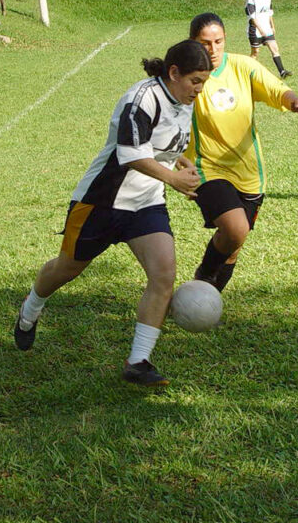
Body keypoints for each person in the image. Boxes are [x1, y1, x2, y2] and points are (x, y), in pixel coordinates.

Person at [14, 40, 213, 387]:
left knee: (163, 275)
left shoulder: (184, 100)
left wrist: (179, 162)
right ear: (173, 73)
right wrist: (174, 180)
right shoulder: (142, 99)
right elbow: (131, 154)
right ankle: (29, 310)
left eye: (204, 82)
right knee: (67, 268)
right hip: (102, 201)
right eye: (195, 80)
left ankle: (138, 361)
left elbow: (162, 144)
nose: (200, 89)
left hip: (146, 202)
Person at [187, 13, 298, 293]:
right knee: (235, 229)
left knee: (233, 245)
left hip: (249, 172)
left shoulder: (243, 66)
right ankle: (204, 276)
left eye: (218, 41)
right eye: (205, 43)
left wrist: (293, 101)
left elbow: (276, 89)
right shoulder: (186, 76)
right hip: (207, 168)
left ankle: (206, 299)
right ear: (193, 42)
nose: (213, 49)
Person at [245, 0, 292, 78]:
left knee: (274, 49)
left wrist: (272, 27)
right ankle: (246, 73)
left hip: (267, 29)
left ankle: (282, 71)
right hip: (255, 30)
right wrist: (260, 30)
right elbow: (252, 17)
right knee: (255, 53)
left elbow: (270, 14)